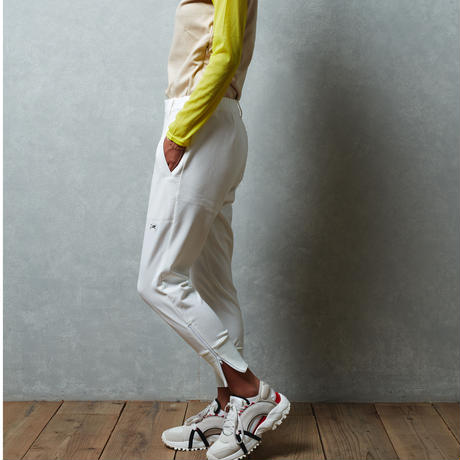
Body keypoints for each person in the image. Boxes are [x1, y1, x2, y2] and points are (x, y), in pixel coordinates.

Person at [136, 1, 290, 458]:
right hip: (216, 123)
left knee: (158, 280)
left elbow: (224, 53)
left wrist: (178, 132)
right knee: (214, 284)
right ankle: (228, 409)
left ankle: (251, 392)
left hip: (199, 123)